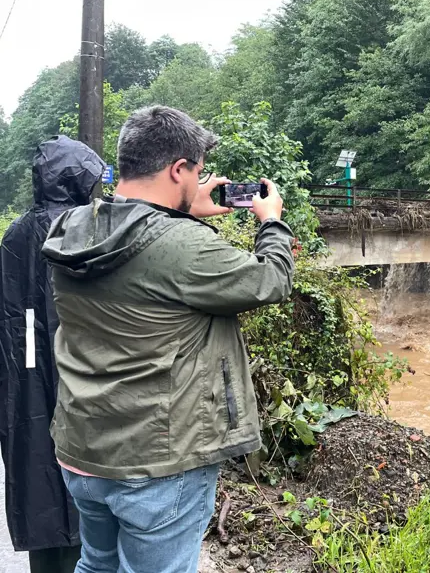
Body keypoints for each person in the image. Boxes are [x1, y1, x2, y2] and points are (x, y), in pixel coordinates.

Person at [42, 106, 295, 572]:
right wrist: (271, 221)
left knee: (96, 564)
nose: (198, 182)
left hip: (82, 447)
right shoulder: (183, 245)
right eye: (196, 173)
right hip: (156, 461)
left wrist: (181, 210)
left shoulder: (73, 226)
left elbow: (142, 245)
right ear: (179, 169)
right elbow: (272, 280)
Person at [0, 136, 105, 573]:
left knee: (36, 466)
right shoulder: (92, 228)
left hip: (25, 377)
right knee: (88, 480)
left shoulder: (16, 234)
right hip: (85, 374)